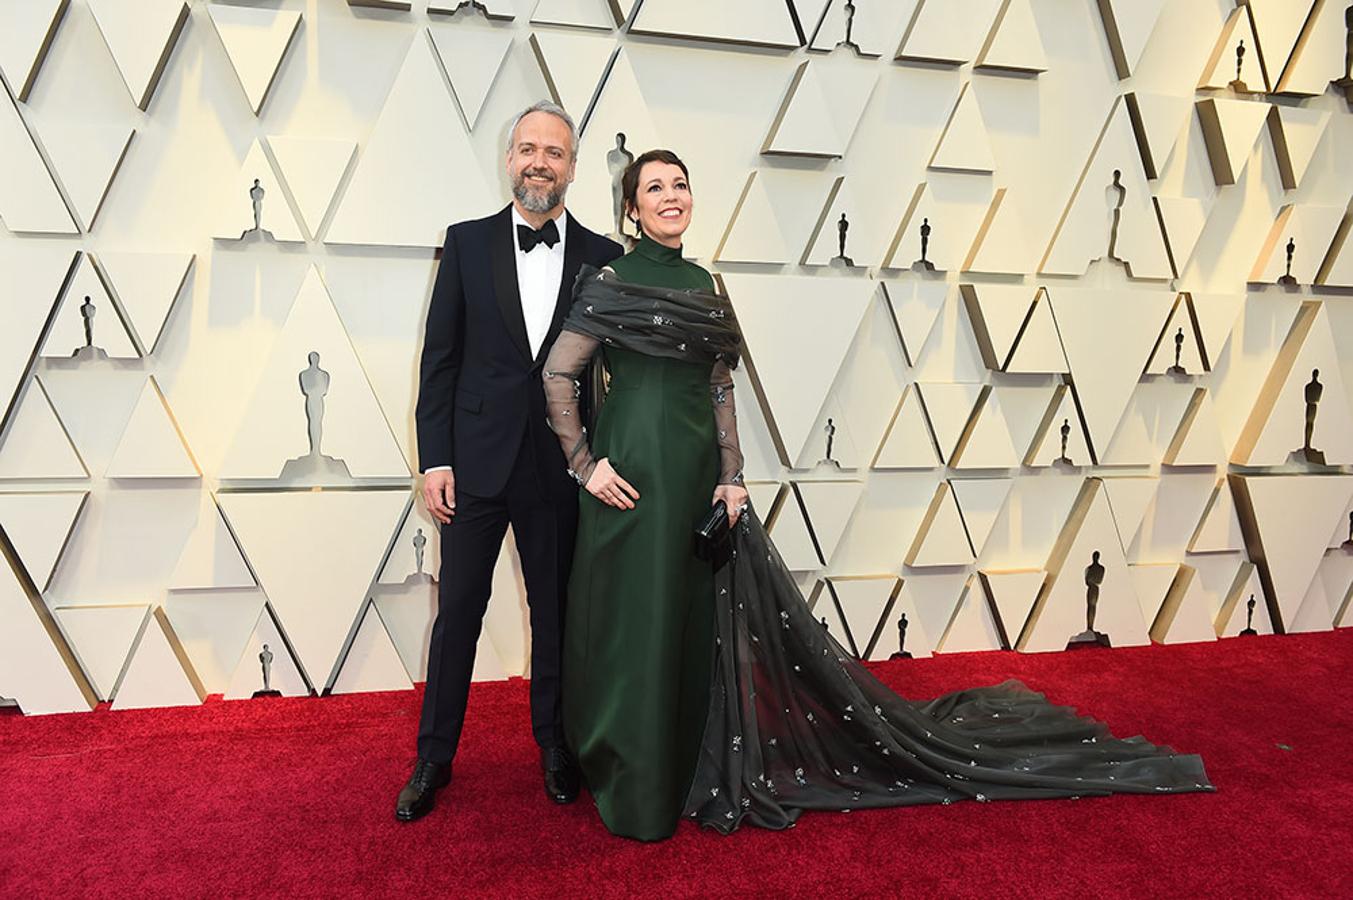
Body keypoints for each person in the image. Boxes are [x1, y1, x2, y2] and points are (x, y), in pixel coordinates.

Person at [543, 149, 1213, 842]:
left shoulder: (706, 283)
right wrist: (583, 464)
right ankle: (629, 773)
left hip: (691, 480)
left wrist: (731, 475)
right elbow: (559, 374)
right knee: (633, 627)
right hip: (628, 484)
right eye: (654, 188)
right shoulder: (614, 280)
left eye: (680, 184)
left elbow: (719, 386)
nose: (671, 196)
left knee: (684, 626)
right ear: (631, 208)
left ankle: (680, 768)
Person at [396, 101, 624, 823]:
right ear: (508, 158)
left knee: (553, 613)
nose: (538, 162)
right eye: (527, 149)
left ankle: (554, 745)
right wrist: (435, 460)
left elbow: (616, 374)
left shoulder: (603, 256)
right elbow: (440, 362)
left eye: (553, 153)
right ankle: (434, 757)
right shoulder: (464, 244)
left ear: (572, 168)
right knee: (458, 611)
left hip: (560, 467)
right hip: (473, 466)